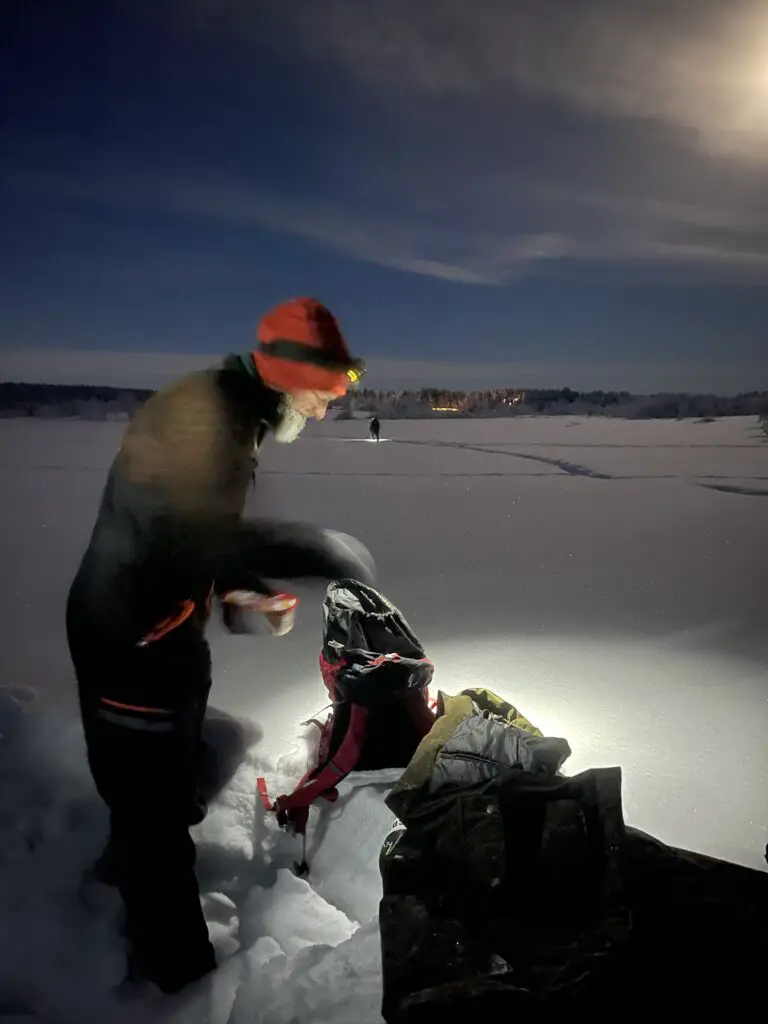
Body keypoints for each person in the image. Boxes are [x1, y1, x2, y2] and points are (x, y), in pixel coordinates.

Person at [66, 297, 374, 995]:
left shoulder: (228, 412)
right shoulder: (208, 419)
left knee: (164, 780)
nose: (329, 408)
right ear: (288, 371)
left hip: (161, 633)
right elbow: (183, 531)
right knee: (153, 824)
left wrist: (241, 591)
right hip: (128, 640)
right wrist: (309, 550)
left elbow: (196, 531)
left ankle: (133, 856)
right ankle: (180, 984)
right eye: (328, 390)